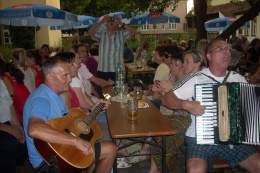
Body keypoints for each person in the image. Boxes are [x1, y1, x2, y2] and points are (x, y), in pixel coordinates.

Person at [161, 38, 260, 173]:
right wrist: (186, 104)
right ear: (208, 56)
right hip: (200, 139)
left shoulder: (238, 79)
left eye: (228, 49)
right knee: (195, 169)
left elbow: (249, 110)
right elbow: (166, 99)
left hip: (233, 141)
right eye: (221, 49)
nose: (226, 52)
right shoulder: (197, 78)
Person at [23, 56, 116, 173]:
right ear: (50, 77)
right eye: (64, 76)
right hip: (49, 161)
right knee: (110, 149)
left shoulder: (57, 94)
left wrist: (94, 109)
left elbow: (69, 123)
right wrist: (75, 141)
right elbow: (34, 129)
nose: (70, 79)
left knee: (97, 152)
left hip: (62, 150)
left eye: (69, 74)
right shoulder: (41, 99)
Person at [88, 14, 136, 81]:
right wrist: (101, 22)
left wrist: (122, 23)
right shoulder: (101, 34)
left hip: (118, 70)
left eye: (112, 21)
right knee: (103, 90)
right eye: (108, 21)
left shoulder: (122, 34)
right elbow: (90, 33)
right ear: (105, 25)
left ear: (116, 23)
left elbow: (133, 31)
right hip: (103, 70)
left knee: (119, 90)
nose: (110, 22)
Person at [0, 60, 28, 173]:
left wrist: (18, 127)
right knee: (9, 143)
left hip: (6, 122)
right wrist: (12, 130)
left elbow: (10, 106)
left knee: (27, 133)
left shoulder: (1, 83)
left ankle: (18, 164)